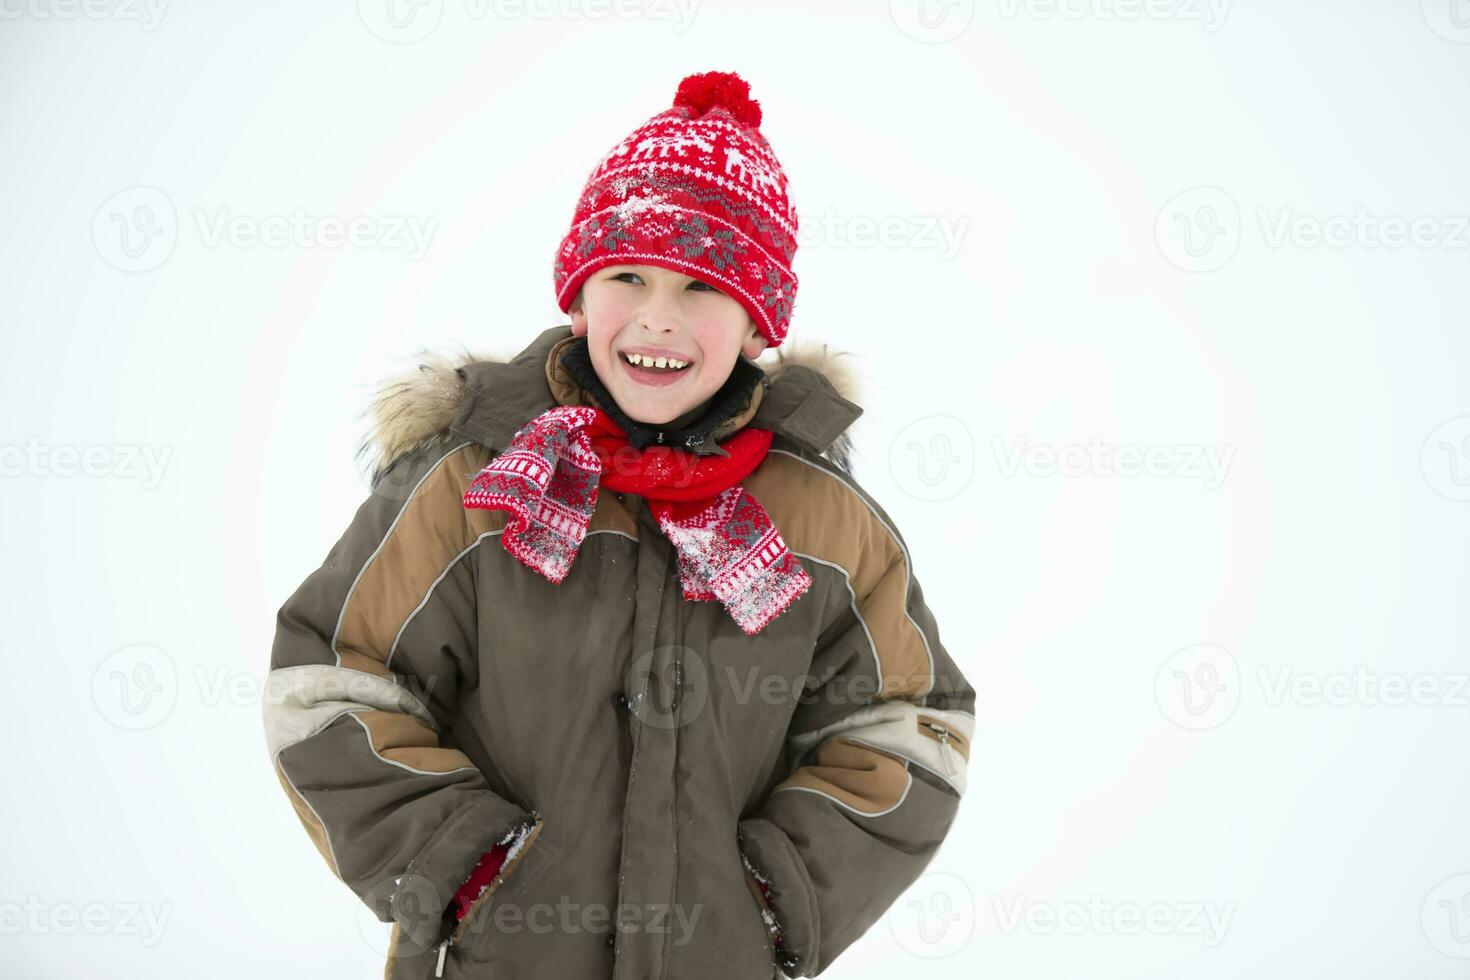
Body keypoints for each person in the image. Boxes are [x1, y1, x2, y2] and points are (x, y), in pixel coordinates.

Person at [262, 69, 975, 979]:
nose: (657, 318)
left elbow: (907, 724)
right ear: (578, 291)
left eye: (703, 287)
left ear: (759, 324)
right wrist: (470, 867)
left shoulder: (824, 522)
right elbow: (331, 679)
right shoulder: (479, 483)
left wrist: (777, 889)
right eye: (627, 275)